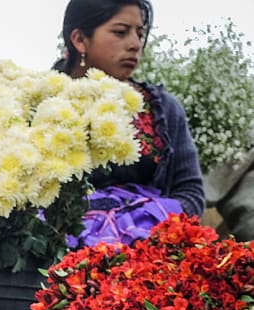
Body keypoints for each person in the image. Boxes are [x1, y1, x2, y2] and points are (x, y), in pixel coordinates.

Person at [54, 0, 205, 217]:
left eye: (140, 34)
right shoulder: (37, 102)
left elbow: (190, 192)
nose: (135, 44)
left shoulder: (162, 109)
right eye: (120, 32)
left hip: (148, 242)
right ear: (79, 40)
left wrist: (141, 224)